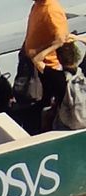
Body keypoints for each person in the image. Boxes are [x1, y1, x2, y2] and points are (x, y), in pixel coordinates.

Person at [18, 0, 69, 131]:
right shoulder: (37, 5)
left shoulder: (51, 10)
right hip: (32, 65)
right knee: (29, 101)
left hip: (47, 67)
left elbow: (61, 39)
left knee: (44, 107)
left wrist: (38, 52)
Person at [52, 38, 86, 126]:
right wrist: (76, 38)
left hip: (69, 123)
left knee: (46, 112)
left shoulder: (56, 76)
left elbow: (36, 59)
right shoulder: (83, 71)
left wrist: (55, 45)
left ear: (59, 58)